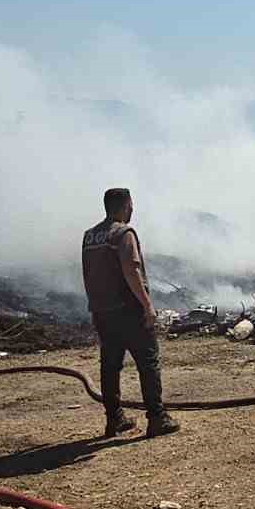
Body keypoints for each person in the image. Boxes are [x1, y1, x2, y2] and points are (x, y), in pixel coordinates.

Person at [82, 188, 179, 439]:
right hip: (128, 310)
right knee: (148, 364)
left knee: (110, 366)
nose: (133, 209)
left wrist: (94, 307)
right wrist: (147, 306)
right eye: (131, 205)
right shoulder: (123, 233)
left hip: (103, 312)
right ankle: (157, 418)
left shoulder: (90, 237)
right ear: (124, 206)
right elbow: (131, 270)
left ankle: (114, 420)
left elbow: (88, 275)